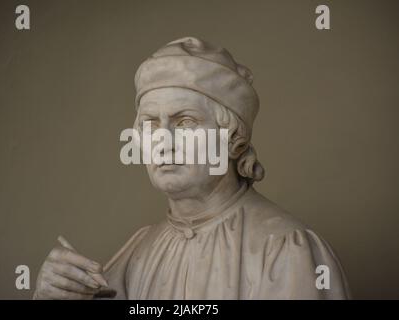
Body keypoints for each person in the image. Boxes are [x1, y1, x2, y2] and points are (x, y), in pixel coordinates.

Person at [33, 37, 350, 299]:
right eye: (150, 124)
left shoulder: (287, 250)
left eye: (185, 122)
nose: (164, 141)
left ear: (231, 138)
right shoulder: (138, 250)